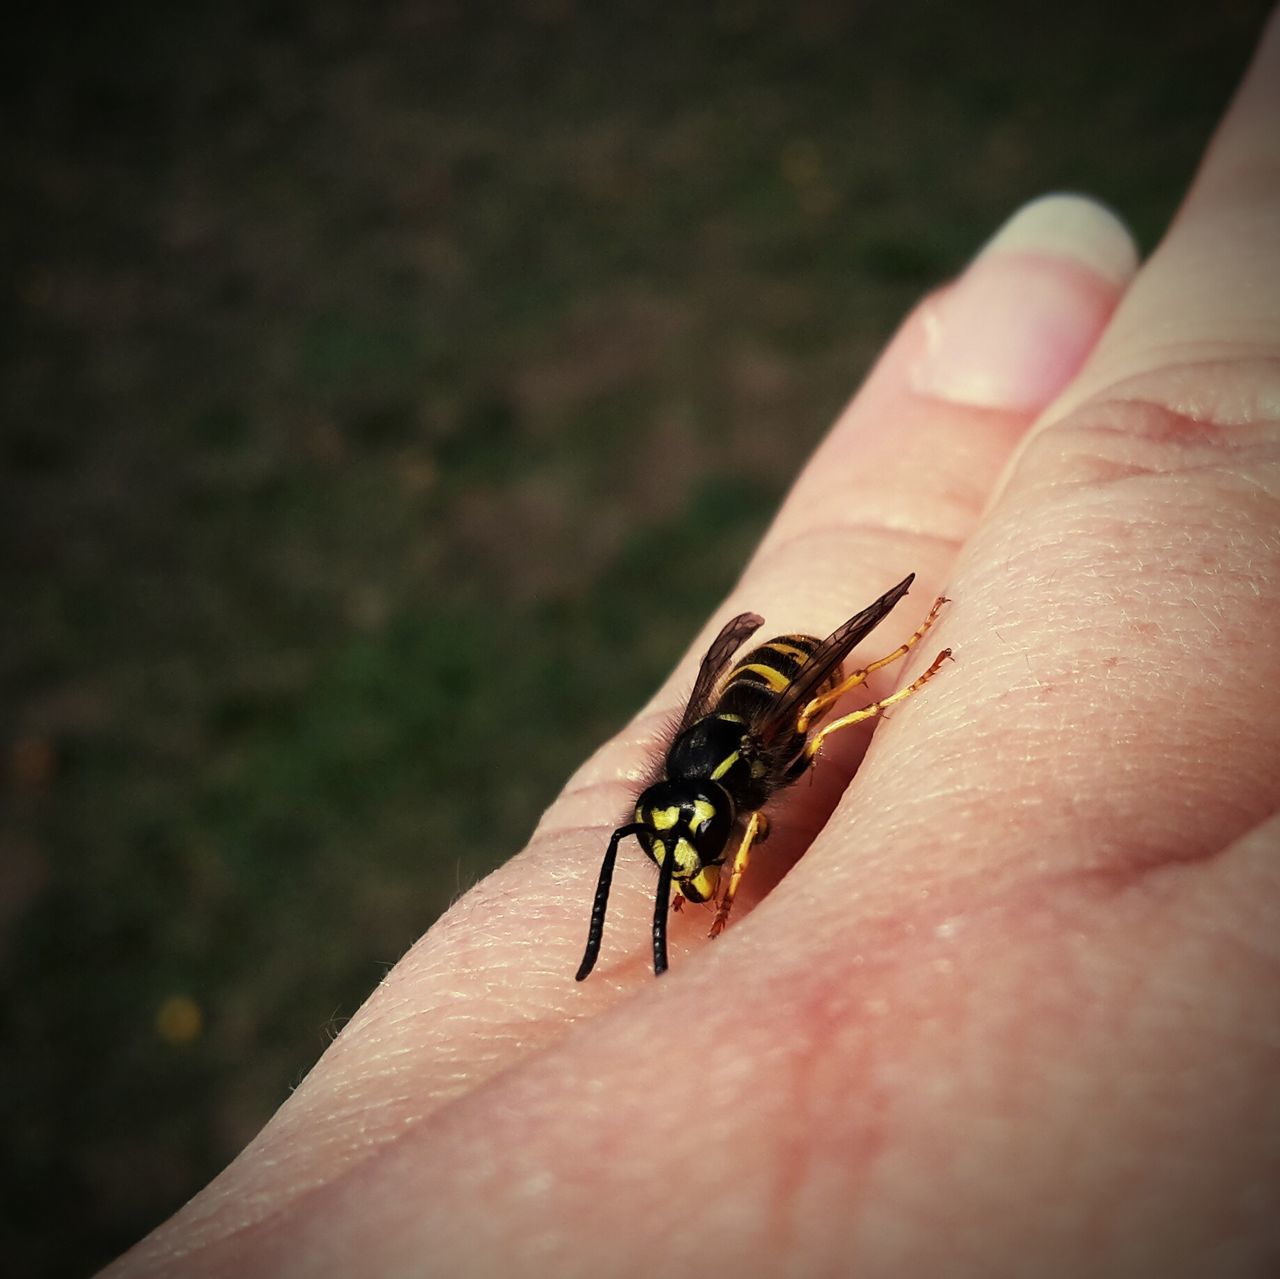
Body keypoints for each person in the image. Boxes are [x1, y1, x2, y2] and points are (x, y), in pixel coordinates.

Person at [106, 11, 1280, 1276]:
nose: (699, 863)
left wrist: (888, 677)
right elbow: (684, 781)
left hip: (782, 679)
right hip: (736, 688)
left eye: (695, 849)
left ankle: (900, 667)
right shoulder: (681, 813)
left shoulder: (747, 769)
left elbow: (783, 711)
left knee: (822, 701)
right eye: (694, 856)